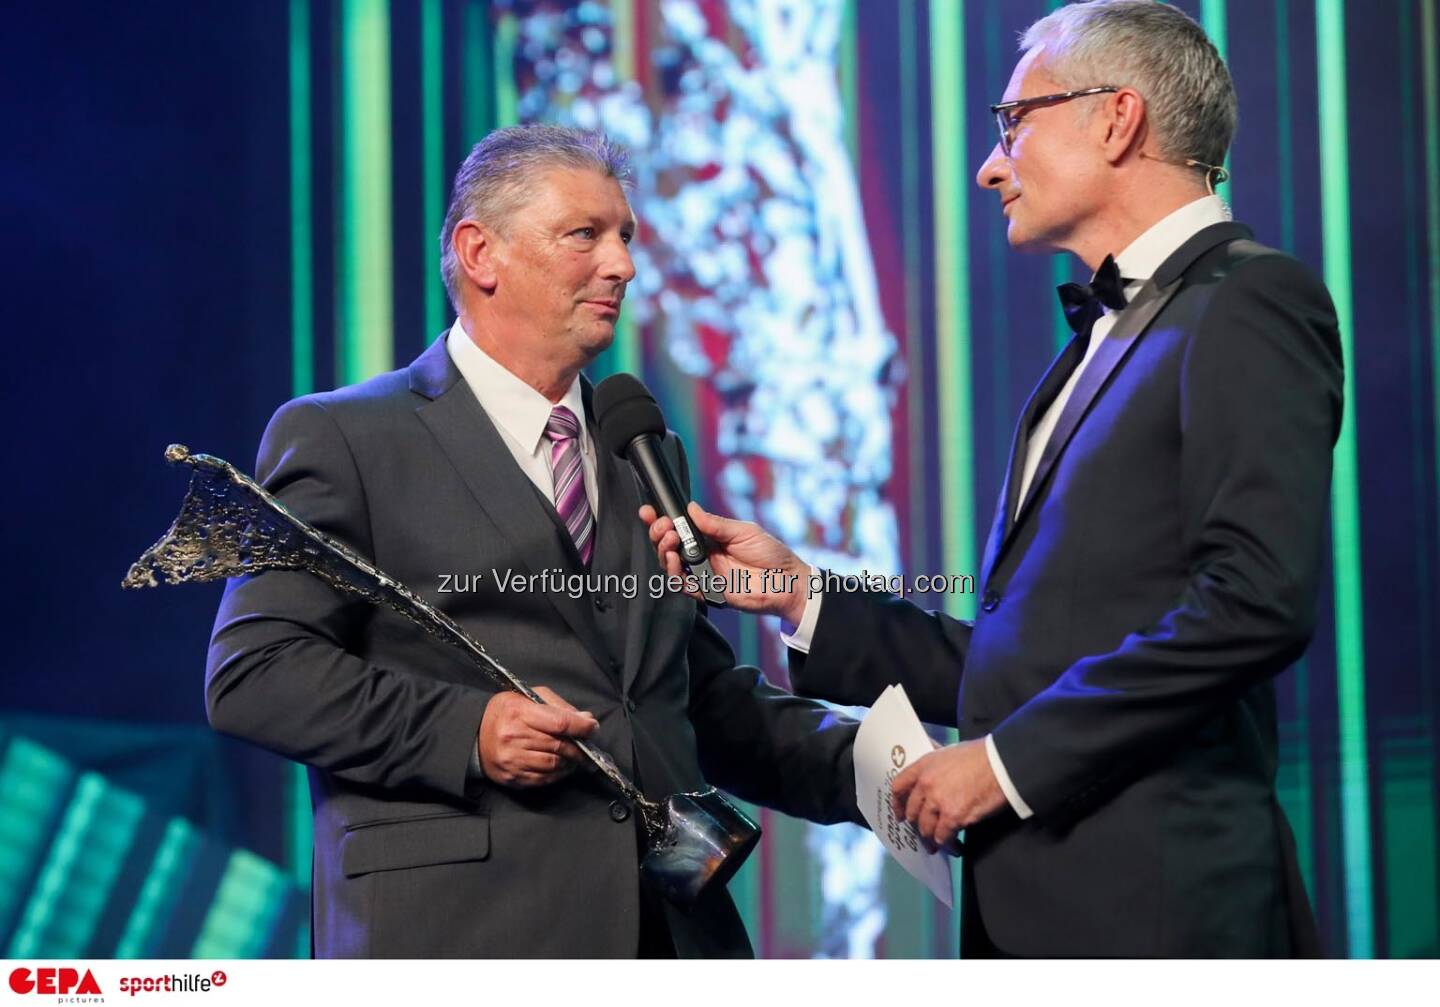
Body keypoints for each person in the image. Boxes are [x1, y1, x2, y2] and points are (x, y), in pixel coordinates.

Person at [644, 0, 1337, 957]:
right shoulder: (1101, 341)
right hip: (1044, 909)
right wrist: (802, 596)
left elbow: (1256, 602)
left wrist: (1005, 765)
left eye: (1015, 122)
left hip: (1163, 913)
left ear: (1116, 118)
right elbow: (1029, 662)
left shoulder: (1250, 301)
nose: (990, 163)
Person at [205, 124, 861, 959]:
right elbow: (255, 673)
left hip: (666, 939)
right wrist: (468, 733)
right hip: (461, 935)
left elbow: (685, 701)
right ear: (481, 253)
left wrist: (891, 774)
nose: (622, 264)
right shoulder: (347, 437)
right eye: (584, 234)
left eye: (625, 236)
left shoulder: (641, 451)